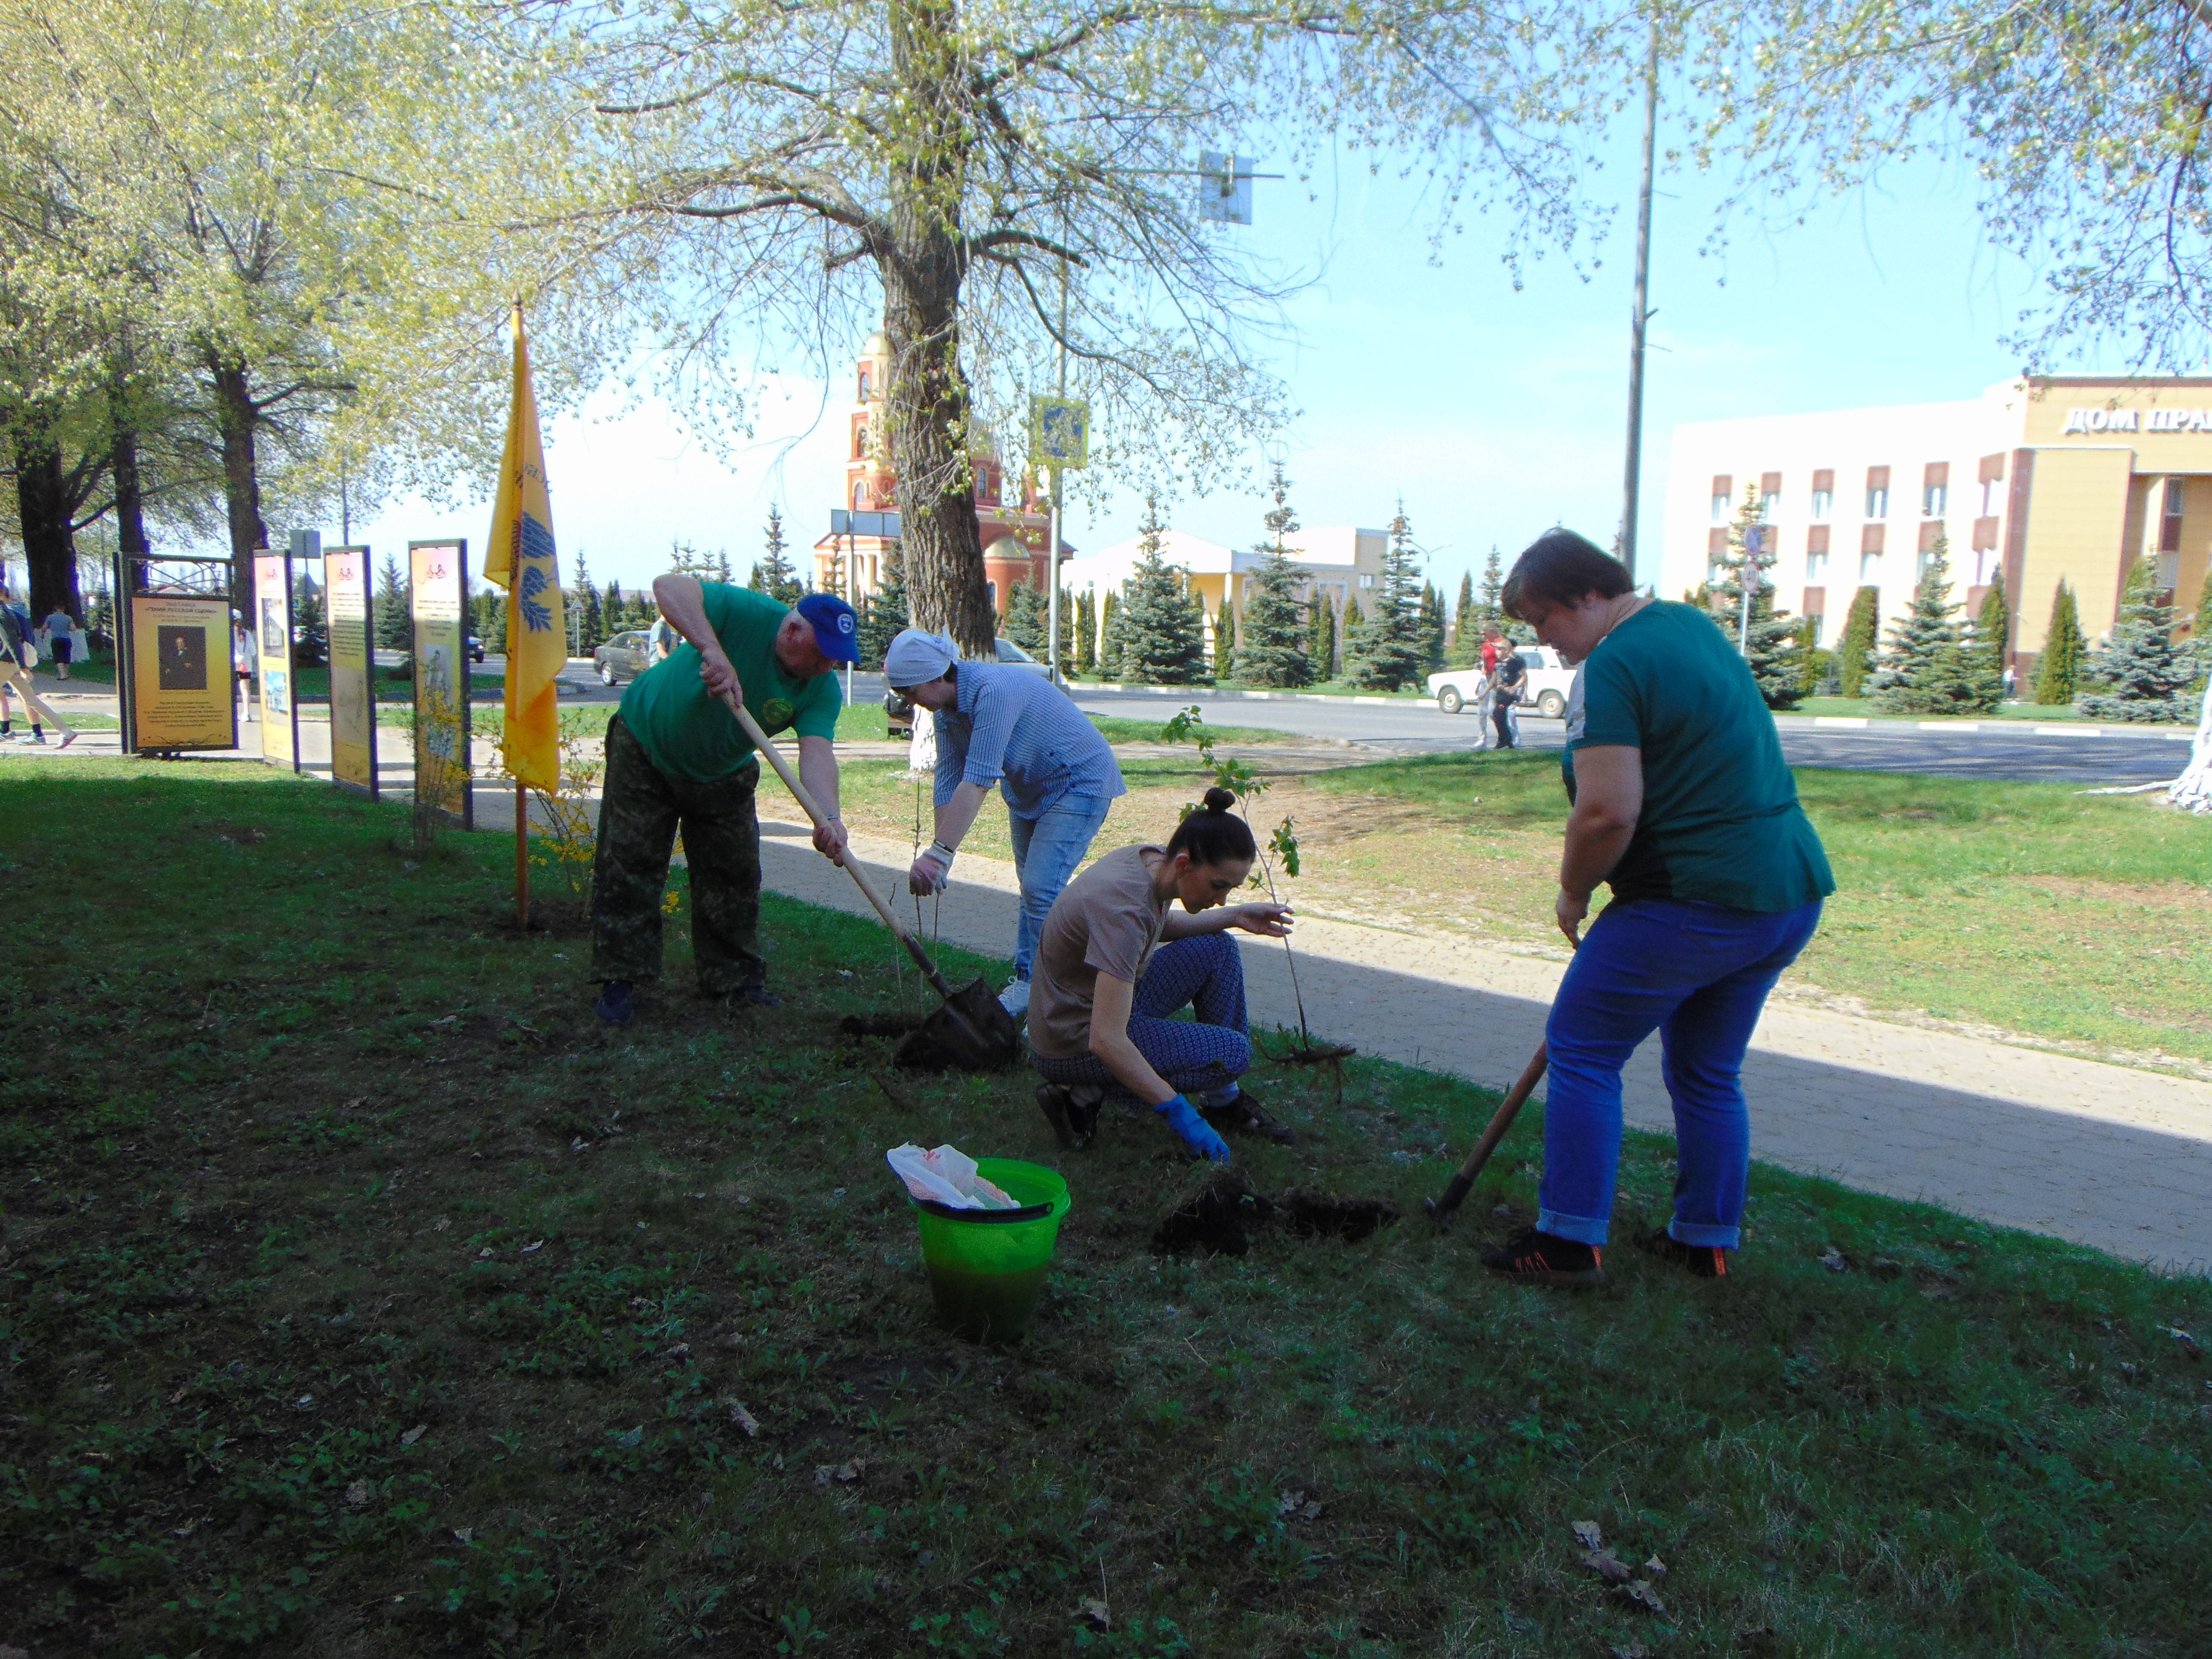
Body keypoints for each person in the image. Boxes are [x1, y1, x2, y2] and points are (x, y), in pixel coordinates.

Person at [1479, 529, 1832, 1288]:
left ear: (1587, 595)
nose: (1542, 638)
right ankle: (1702, 1237)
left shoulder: (1612, 665)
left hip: (1692, 899)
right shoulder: (1689, 626)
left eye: (1543, 618)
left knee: (1581, 1049)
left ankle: (1568, 1239)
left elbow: (1606, 812)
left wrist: (1573, 889)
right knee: (1706, 1070)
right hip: (1784, 892)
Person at [589, 577, 858, 1024]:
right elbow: (667, 586)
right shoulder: (747, 612)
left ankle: (734, 982)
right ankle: (621, 980)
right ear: (792, 632)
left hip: (722, 770)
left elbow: (817, 752)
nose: (829, 664)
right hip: (646, 745)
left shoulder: (821, 688)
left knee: (733, 875)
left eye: (837, 656)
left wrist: (827, 816)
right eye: (823, 651)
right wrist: (711, 649)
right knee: (630, 864)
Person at [1026, 790, 1297, 1159]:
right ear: (1185, 864)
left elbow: (1157, 926)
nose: (1221, 901)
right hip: (1071, 1036)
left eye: (1231, 890)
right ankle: (1081, 1094)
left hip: (1103, 1005)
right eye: (1219, 886)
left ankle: (1223, 1103)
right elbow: (1106, 1040)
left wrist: (1235, 917)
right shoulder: (1123, 910)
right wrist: (1180, 1114)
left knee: (1217, 948)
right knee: (1232, 1054)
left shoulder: (1150, 862)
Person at [885, 627, 1127, 1018]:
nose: (910, 702)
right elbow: (949, 779)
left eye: (911, 692)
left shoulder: (992, 691)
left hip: (1080, 781)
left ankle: (1056, 1002)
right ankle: (1030, 982)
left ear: (937, 676)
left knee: (1040, 889)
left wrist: (940, 855)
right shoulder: (948, 711)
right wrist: (939, 850)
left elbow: (979, 778)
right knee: (1033, 891)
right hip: (1031, 790)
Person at [0, 589, 71, 748]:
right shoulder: (7, 612)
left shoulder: (3, 614)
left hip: (5, 663)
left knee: (30, 700)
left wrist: (23, 667)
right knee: (31, 700)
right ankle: (66, 731)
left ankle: (16, 732)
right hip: (11, 665)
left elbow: (13, 642)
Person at [1489, 646, 1526, 749]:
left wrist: (1515, 687)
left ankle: (1503, 739)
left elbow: (1524, 676)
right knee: (1498, 716)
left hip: (1509, 693)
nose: (1497, 652)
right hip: (1499, 693)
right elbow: (1494, 679)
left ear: (1506, 650)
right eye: (1496, 650)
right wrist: (1485, 692)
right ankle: (1508, 740)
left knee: (1498, 713)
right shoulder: (1497, 664)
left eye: (1500, 650)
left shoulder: (1514, 662)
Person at [233, 612, 257, 721]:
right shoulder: (247, 633)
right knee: (246, 689)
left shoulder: (229, 632)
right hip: (246, 665)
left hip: (233, 664)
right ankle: (247, 713)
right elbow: (253, 652)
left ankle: (232, 713)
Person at [41, 606, 74, 679]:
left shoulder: (50, 617)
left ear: (55, 609)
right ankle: (66, 673)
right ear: (64, 609)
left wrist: (43, 634)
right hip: (67, 639)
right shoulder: (68, 618)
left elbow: (44, 628)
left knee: (58, 656)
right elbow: (73, 629)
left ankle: (62, 675)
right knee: (67, 656)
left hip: (56, 639)